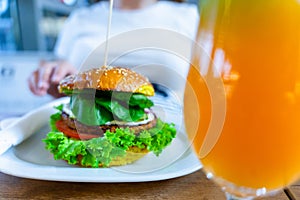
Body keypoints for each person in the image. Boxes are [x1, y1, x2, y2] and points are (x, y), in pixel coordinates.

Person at [28, 0, 199, 98]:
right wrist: (52, 78)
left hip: (178, 134)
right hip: (86, 130)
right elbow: (60, 80)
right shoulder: (79, 19)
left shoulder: (190, 16)